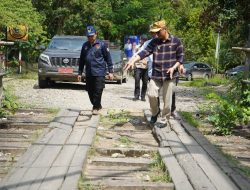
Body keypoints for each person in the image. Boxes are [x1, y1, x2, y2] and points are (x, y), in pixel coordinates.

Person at [124, 20, 184, 124]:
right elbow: (143, 53)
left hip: (170, 76)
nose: (156, 34)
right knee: (151, 94)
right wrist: (132, 60)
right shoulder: (155, 42)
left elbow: (180, 58)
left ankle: (164, 119)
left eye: (158, 32)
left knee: (167, 100)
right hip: (156, 74)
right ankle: (155, 112)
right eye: (155, 32)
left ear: (164, 29)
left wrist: (174, 67)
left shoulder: (176, 41)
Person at [78, 25, 114, 115]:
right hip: (89, 72)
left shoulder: (102, 45)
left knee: (98, 90)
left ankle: (95, 107)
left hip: (99, 72)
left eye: (92, 35)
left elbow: (108, 59)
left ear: (96, 34)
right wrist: (79, 73)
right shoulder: (85, 46)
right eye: (88, 36)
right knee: (90, 91)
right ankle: (98, 105)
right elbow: (82, 60)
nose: (90, 37)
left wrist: (111, 72)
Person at [133, 35, 149, 101]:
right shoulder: (137, 47)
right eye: (140, 39)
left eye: (142, 40)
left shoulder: (149, 48)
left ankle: (143, 96)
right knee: (137, 81)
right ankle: (136, 96)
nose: (140, 41)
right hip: (138, 66)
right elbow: (134, 55)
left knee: (145, 82)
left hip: (146, 67)